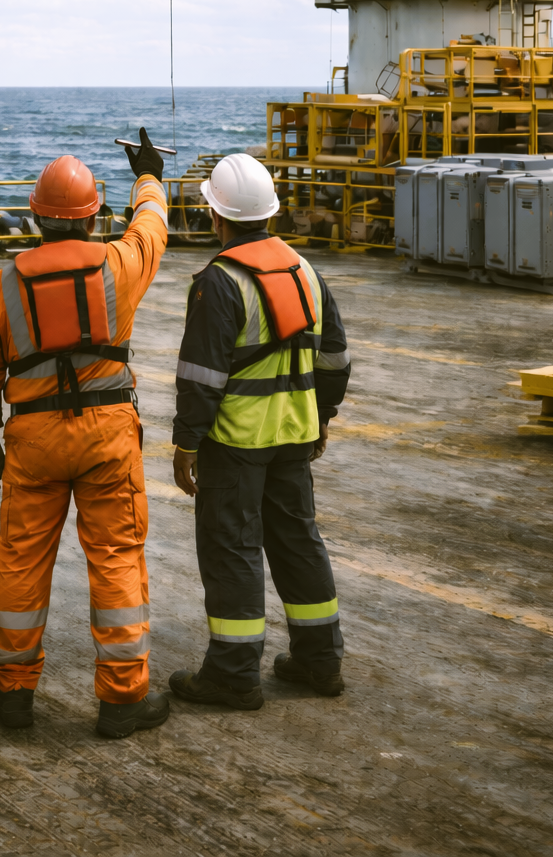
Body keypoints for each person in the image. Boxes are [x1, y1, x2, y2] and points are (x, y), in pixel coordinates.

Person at [0, 129, 169, 739]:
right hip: (108, 436)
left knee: (22, 562)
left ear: (35, 219)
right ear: (93, 216)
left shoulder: (3, 287)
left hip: (33, 440)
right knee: (117, 558)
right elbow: (152, 227)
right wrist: (148, 176)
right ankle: (123, 700)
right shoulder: (119, 265)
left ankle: (13, 694)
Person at [168, 153, 351, 708]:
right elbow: (336, 359)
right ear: (270, 212)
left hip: (235, 441)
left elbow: (201, 376)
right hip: (295, 435)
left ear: (215, 215)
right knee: (298, 542)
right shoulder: (305, 271)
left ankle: (232, 673)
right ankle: (320, 661)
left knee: (232, 549)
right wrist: (321, 416)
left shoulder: (219, 281)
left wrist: (186, 442)